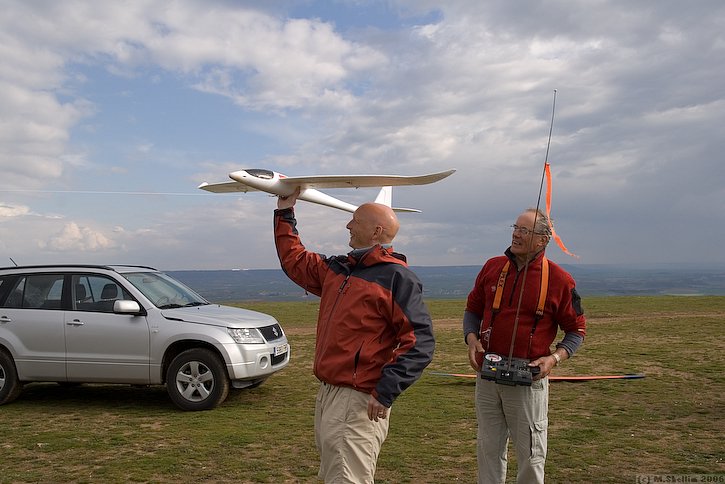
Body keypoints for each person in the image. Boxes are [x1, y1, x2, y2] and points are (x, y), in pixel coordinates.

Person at [275, 189, 435, 483]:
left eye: (355, 221)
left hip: (358, 399)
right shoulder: (341, 269)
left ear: (376, 231)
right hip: (329, 393)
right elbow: (295, 261)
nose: (348, 225)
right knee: (333, 474)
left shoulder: (395, 277)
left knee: (347, 478)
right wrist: (285, 212)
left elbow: (420, 342)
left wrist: (386, 390)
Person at [463, 208, 586, 484]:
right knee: (488, 448)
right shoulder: (492, 267)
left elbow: (577, 330)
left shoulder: (560, 280)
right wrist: (471, 338)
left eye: (525, 230)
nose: (516, 234)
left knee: (531, 453)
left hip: (528, 381)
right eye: (515, 228)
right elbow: (472, 310)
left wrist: (553, 359)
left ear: (543, 240)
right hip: (487, 377)